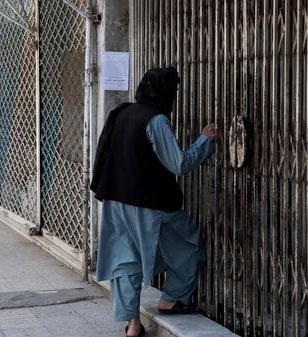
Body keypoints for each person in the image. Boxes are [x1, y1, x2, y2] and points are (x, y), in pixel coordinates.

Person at [90, 67, 218, 337]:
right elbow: (179, 163)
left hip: (116, 199)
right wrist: (204, 140)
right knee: (188, 242)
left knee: (125, 260)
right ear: (167, 93)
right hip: (150, 203)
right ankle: (171, 298)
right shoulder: (156, 120)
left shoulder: (121, 112)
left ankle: (132, 324)